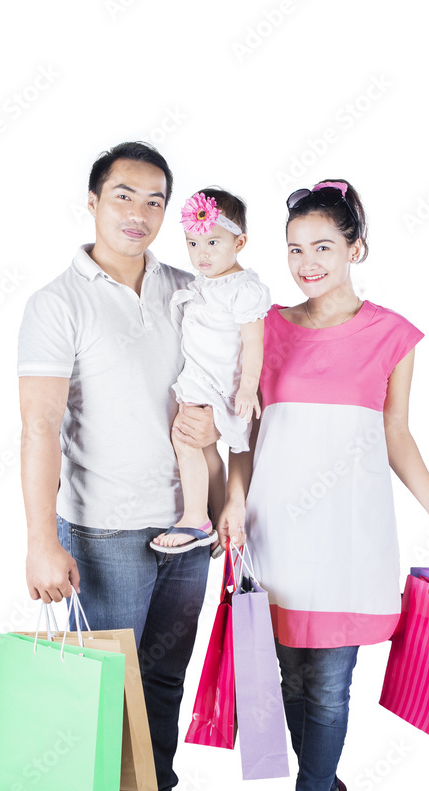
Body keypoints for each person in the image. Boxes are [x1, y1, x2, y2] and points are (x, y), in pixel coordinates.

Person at [217, 179, 429, 791]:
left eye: (322, 247)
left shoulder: (392, 334)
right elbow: (246, 431)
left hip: (348, 536)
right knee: (287, 681)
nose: (306, 262)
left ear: (355, 248)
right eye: (295, 249)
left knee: (327, 689)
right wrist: (233, 501)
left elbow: (395, 432)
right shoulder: (263, 326)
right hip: (274, 529)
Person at [18, 141, 228, 791]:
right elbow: (39, 426)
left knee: (164, 678)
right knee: (102, 692)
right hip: (104, 530)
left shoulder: (185, 288)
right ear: (92, 201)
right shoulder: (58, 302)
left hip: (187, 525)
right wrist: (43, 539)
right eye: (123, 197)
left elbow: (225, 385)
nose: (139, 214)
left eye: (153, 201)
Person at [150, 188, 270, 554]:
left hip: (219, 383)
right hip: (198, 377)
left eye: (213, 242)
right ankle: (219, 519)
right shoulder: (203, 282)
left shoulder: (244, 289)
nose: (201, 254)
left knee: (185, 438)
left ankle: (194, 516)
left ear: (240, 241)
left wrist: (247, 388)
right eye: (193, 243)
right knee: (204, 450)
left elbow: (254, 343)